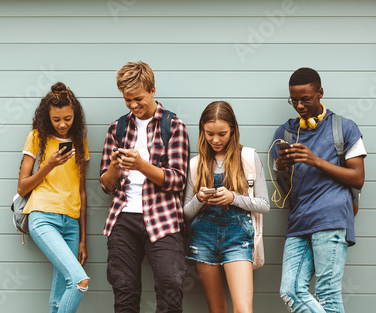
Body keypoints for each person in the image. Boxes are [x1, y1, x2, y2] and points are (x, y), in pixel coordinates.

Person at [269, 67, 366, 313]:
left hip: (331, 217)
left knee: (327, 295)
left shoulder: (344, 127)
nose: (300, 106)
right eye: (294, 100)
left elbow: (358, 178)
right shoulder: (286, 133)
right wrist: (281, 165)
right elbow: (282, 184)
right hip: (299, 220)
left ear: (320, 93)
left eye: (306, 99)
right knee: (290, 290)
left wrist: (316, 161)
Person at [99, 61, 189, 313]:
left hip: (164, 218)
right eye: (127, 100)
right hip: (123, 218)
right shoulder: (116, 129)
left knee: (170, 285)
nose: (133, 105)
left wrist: (141, 165)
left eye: (138, 98)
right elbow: (106, 186)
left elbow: (178, 180)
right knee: (124, 290)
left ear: (152, 90)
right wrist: (116, 167)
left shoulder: (173, 126)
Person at [183, 101, 270, 313]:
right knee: (217, 309)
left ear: (233, 129)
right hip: (202, 239)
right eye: (209, 134)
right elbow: (185, 213)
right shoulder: (196, 164)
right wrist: (200, 199)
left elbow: (264, 205)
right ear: (202, 130)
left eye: (222, 133)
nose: (215, 140)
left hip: (238, 238)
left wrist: (233, 198)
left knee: (243, 309)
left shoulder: (248, 158)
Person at [17, 82, 90, 313]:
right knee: (80, 281)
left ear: (74, 116)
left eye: (67, 118)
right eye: (56, 119)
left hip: (71, 224)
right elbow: (22, 187)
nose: (61, 124)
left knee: (60, 296)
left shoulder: (80, 143)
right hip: (43, 217)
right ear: (47, 116)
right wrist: (48, 165)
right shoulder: (37, 137)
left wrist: (83, 240)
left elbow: (81, 192)